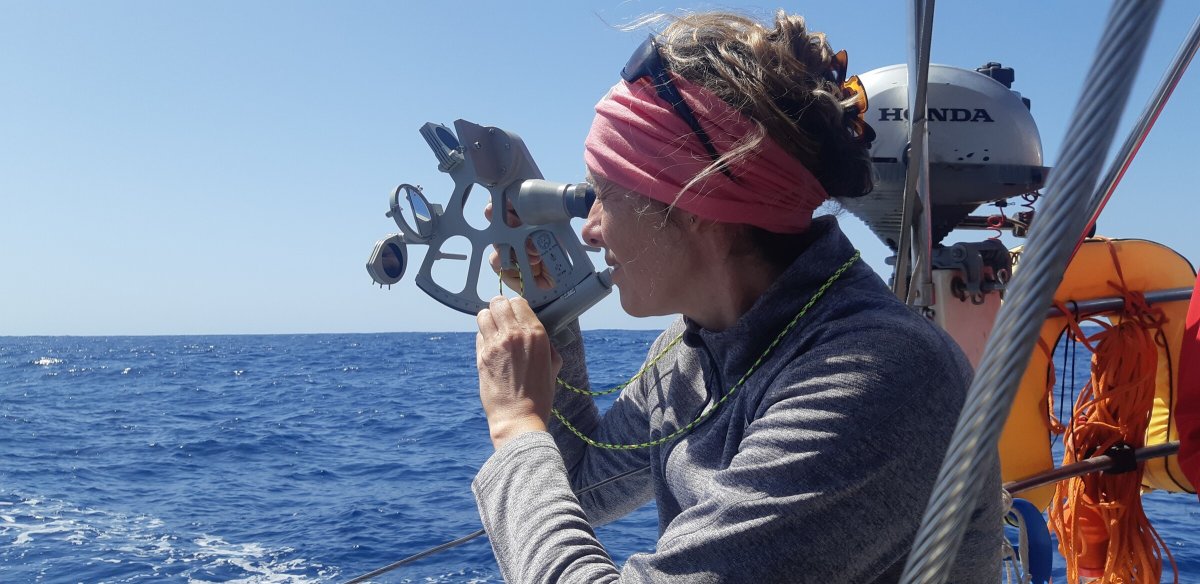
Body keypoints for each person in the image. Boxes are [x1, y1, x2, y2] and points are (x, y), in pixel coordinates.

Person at [472, 10, 1002, 583]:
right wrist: (556, 316)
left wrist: (516, 423)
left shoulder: (878, 379)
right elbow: (582, 483)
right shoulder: (696, 345)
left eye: (606, 195)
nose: (590, 229)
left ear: (696, 207)